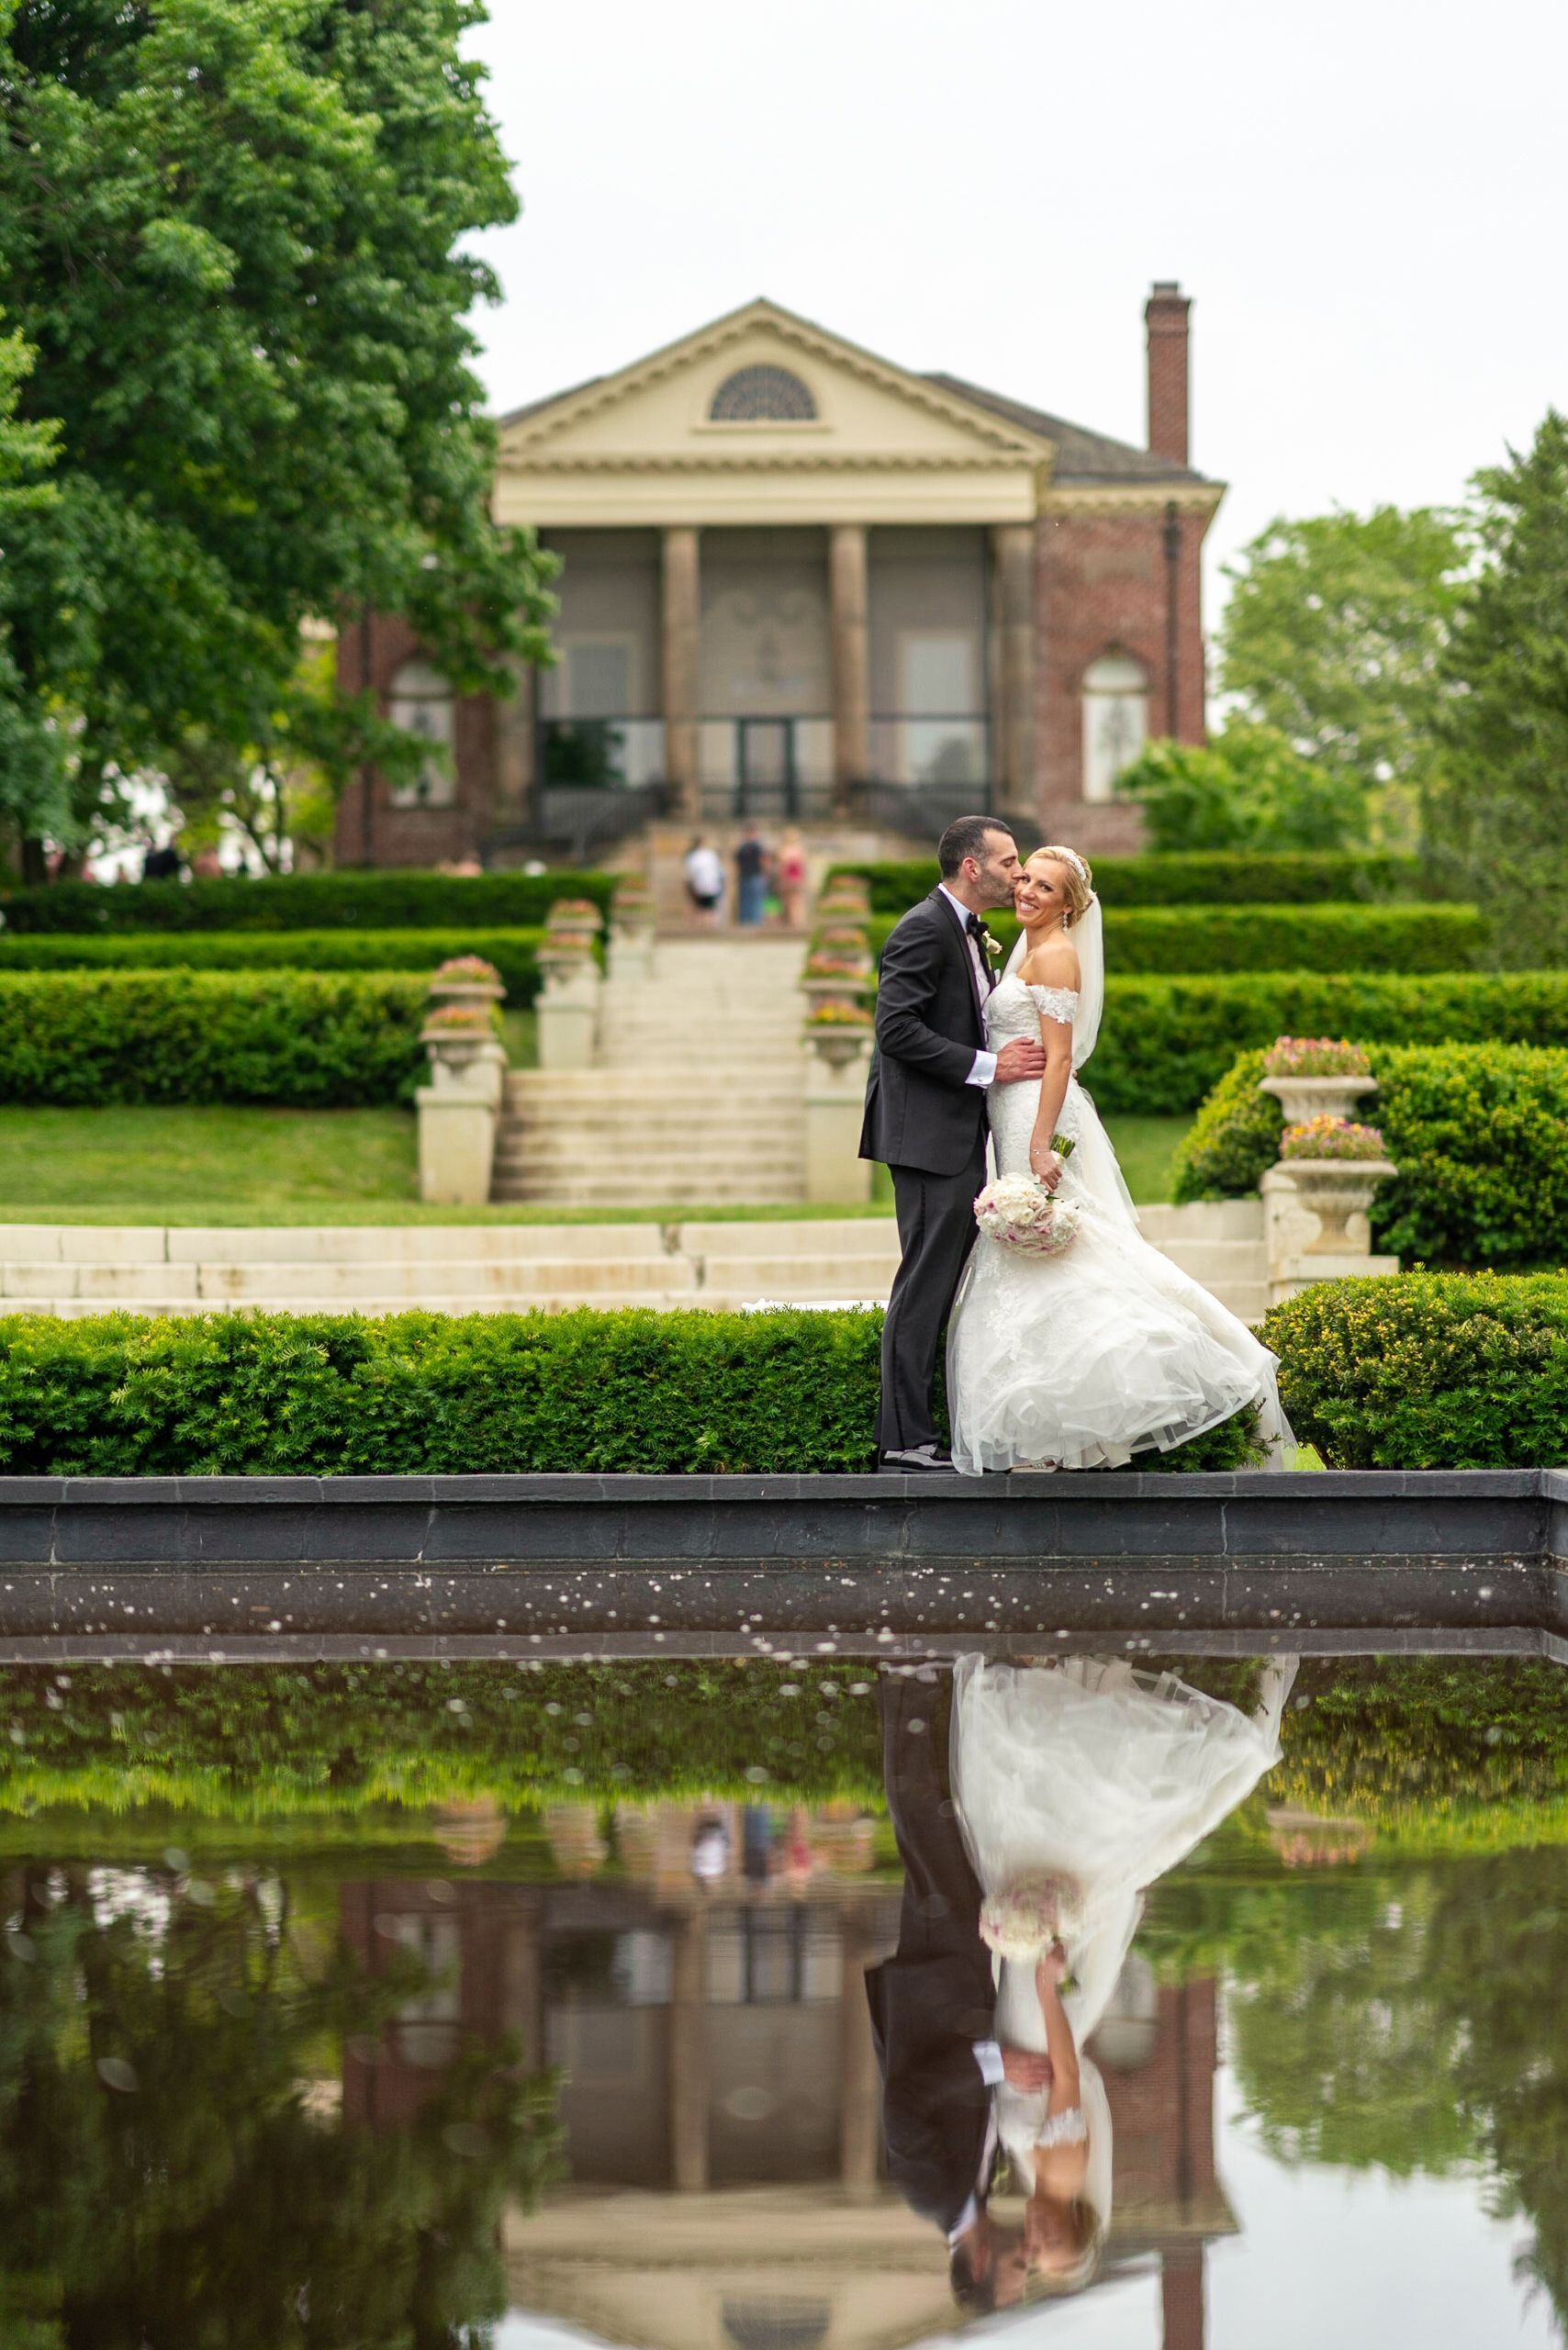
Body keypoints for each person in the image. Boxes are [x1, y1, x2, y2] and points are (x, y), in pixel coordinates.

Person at [949, 1649, 1299, 2293]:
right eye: (1048, 2243)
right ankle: (1081, 1703)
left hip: (1025, 2019)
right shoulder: (1064, 2166)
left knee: (1046, 1854)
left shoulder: (1035, 2177)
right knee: (1061, 1855)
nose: (1032, 2243)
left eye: (1030, 2251)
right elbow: (1061, 2075)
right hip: (1041, 2015)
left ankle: (1077, 1694)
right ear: (1072, 2219)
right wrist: (1048, 1990)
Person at [946, 845, 1291, 1472]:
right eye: (1026, 880)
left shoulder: (1054, 956)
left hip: (1034, 1113)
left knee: (1068, 1241)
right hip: (1011, 1109)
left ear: (1070, 907)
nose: (1028, 892)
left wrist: (1038, 1144)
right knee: (1043, 1246)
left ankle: (1204, 1358)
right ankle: (1063, 1430)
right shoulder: (1026, 947)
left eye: (1046, 889)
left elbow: (1058, 1058)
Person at [858, 816, 1047, 1472]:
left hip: (958, 1134)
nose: (1017, 873)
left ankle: (919, 1433)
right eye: (1008, 862)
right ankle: (904, 1442)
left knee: (941, 1286)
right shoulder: (922, 927)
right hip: (925, 1138)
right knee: (924, 1285)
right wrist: (991, 1068)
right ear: (972, 867)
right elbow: (896, 1030)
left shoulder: (970, 934)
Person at [864, 1671, 1041, 2314]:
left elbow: (906, 2098)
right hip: (954, 1981)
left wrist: (997, 2064)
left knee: (924, 1829)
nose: (1026, 2254)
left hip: (933, 1982)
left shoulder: (929, 2193)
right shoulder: (974, 2191)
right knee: (938, 1830)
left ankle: (908, 1688)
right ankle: (912, 1693)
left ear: (981, 2262)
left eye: (1016, 2267)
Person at [683, 834, 725, 929]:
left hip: (701, 886)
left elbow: (689, 876)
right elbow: (721, 872)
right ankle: (708, 928)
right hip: (713, 886)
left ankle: (702, 929)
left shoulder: (693, 857)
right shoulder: (711, 855)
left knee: (701, 910)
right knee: (710, 910)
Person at [734, 825, 769, 927]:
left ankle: (752, 923)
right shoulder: (746, 848)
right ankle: (749, 922)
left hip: (753, 876)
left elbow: (763, 861)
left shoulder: (753, 847)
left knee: (752, 900)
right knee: (749, 900)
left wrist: (764, 873)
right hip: (749, 876)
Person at [777, 828, 808, 929]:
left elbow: (783, 867)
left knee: (789, 902)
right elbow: (803, 867)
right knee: (797, 901)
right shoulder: (800, 850)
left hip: (788, 879)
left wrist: (781, 881)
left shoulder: (784, 851)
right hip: (797, 878)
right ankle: (797, 922)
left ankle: (792, 923)